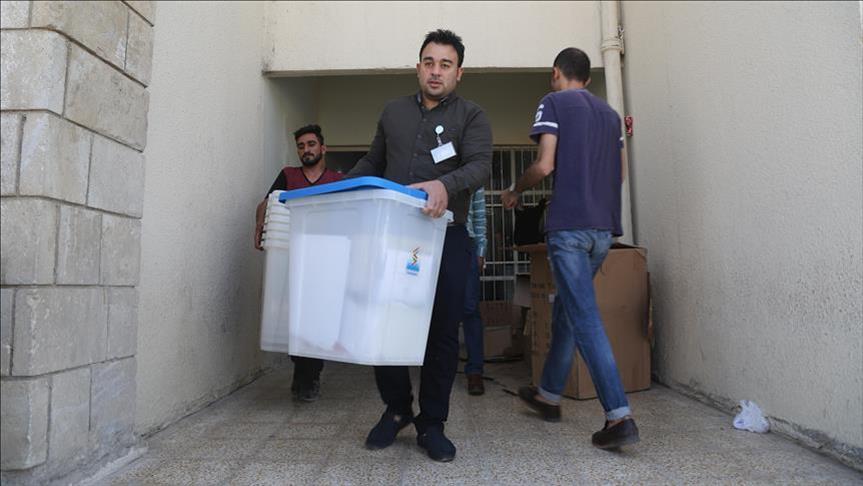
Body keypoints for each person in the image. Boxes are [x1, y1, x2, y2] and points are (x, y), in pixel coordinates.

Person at [348, 29, 491, 462]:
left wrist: (445, 185)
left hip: (447, 237)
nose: (436, 71)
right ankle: (396, 410)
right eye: (429, 62)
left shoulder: (472, 116)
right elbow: (373, 161)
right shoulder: (393, 112)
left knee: (442, 332)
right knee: (384, 321)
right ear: (418, 67)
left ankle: (432, 423)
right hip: (393, 237)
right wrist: (336, 189)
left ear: (459, 73)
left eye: (446, 64)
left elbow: (481, 165)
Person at [501, 47, 640, 449]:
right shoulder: (610, 115)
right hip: (603, 230)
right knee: (567, 307)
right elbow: (620, 174)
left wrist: (514, 189)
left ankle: (618, 416)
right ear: (589, 79)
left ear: (555, 73)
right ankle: (548, 395)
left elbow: (545, 165)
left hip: (569, 230)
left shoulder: (554, 102)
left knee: (584, 316)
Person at [254, 124, 342, 402]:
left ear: (323, 148)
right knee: (293, 320)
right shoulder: (288, 175)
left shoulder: (337, 179)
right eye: (301, 146)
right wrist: (260, 229)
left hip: (324, 262)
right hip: (291, 258)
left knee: (315, 321)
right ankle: (302, 373)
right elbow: (267, 203)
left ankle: (309, 378)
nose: (306, 150)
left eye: (311, 144)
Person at [463, 187, 487, 395]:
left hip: (465, 241)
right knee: (434, 308)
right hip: (430, 238)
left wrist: (480, 251)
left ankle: (475, 371)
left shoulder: (472, 175)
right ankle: (435, 365)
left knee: (470, 308)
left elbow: (479, 216)